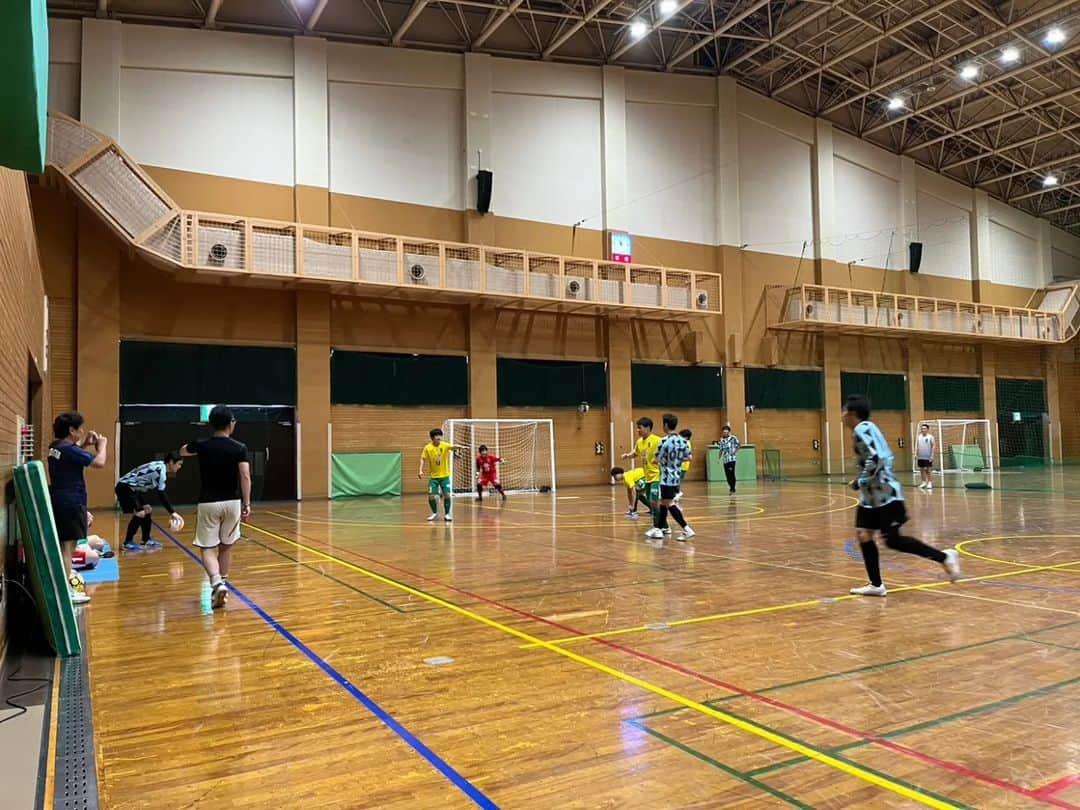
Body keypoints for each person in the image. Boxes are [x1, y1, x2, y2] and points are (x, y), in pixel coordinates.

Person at [843, 396, 960, 597]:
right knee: (863, 534)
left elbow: (877, 458)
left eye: (844, 411)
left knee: (893, 541)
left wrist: (860, 481)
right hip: (871, 498)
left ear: (852, 414)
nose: (842, 416)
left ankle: (944, 557)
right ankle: (876, 585)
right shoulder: (866, 429)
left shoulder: (862, 429)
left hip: (885, 494)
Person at [179, 405, 251, 610]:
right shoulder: (240, 448)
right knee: (226, 545)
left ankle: (216, 582)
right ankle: (223, 583)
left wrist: (195, 445)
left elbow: (183, 451)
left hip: (208, 502)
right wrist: (247, 503)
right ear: (230, 424)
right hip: (232, 502)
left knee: (207, 548)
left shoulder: (203, 445)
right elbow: (245, 476)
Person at [47, 411, 107, 605]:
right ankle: (66, 593)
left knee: (67, 546)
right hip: (71, 502)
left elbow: (71, 455)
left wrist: (84, 445)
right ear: (72, 430)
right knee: (68, 547)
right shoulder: (69, 449)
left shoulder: (56, 447)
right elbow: (99, 463)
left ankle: (64, 588)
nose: (82, 431)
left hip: (60, 500)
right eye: (79, 428)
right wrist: (102, 447)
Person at [115, 453, 185, 550]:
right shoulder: (161, 472)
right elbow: (161, 495)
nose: (180, 467)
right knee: (140, 513)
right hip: (125, 487)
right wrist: (173, 513)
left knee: (147, 509)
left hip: (134, 488)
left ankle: (146, 540)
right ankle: (127, 542)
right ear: (171, 462)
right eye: (179, 464)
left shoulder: (160, 465)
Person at [646, 414, 695, 541]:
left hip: (666, 477)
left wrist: (663, 461)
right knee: (663, 502)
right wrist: (676, 460)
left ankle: (686, 528)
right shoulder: (683, 441)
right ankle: (659, 528)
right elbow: (689, 458)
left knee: (669, 503)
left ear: (665, 425)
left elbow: (656, 460)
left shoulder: (663, 441)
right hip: (676, 477)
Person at [622, 417, 664, 535]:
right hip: (647, 477)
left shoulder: (657, 440)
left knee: (655, 502)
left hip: (657, 476)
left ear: (648, 428)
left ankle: (658, 527)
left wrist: (660, 460)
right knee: (652, 501)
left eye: (639, 428)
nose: (638, 430)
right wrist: (627, 455)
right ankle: (664, 526)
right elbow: (635, 453)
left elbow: (664, 452)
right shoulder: (640, 441)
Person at [418, 428, 461, 522]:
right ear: (432, 438)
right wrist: (420, 470)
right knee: (431, 496)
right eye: (436, 435)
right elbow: (422, 458)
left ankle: (447, 514)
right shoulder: (427, 448)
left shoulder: (445, 445)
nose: (439, 437)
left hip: (445, 476)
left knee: (447, 495)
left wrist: (458, 447)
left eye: (440, 435)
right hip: (433, 478)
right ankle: (434, 513)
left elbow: (452, 447)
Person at [717, 425, 740, 494]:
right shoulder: (721, 440)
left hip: (732, 459)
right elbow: (721, 450)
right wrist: (719, 458)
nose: (725, 433)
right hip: (725, 459)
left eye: (726, 432)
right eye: (724, 432)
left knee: (731, 473)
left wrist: (735, 452)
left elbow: (739, 445)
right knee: (727, 475)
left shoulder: (733, 438)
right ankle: (731, 487)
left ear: (729, 432)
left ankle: (733, 488)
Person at [674, 428, 693, 503]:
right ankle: (677, 493)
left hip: (683, 466)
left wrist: (678, 459)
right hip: (679, 466)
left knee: (676, 481)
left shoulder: (686, 443)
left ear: (686, 437)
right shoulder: (682, 442)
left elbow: (689, 458)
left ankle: (677, 493)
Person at [915, 423, 935, 490]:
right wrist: (916, 454)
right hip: (920, 456)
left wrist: (932, 455)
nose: (923, 430)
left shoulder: (930, 437)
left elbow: (933, 446)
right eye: (922, 428)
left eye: (924, 428)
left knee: (928, 470)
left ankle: (929, 483)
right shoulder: (919, 437)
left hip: (928, 456)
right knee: (921, 470)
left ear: (927, 429)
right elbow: (918, 446)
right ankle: (923, 482)